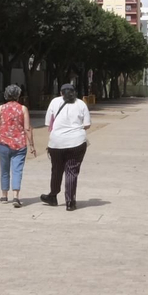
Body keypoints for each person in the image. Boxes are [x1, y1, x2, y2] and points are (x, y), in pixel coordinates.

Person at [40, 83, 92, 211]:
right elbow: (87, 124)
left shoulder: (54, 102)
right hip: (77, 142)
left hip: (56, 143)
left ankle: (53, 196)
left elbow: (48, 123)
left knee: (56, 169)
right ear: (74, 92)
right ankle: (70, 201)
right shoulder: (81, 104)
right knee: (72, 171)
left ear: (61, 93)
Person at [0, 84, 36, 207]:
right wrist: (32, 145)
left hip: (3, 143)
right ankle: (16, 196)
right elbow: (27, 128)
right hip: (20, 144)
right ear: (18, 95)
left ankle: (4, 195)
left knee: (4, 170)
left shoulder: (1, 108)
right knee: (17, 170)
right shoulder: (23, 109)